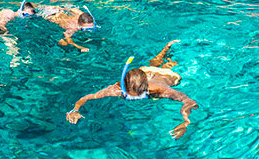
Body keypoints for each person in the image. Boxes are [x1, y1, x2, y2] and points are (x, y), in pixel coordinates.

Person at [65, 40, 198, 138]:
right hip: (144, 72)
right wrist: (75, 110)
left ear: (145, 89)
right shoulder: (117, 89)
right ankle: (165, 48)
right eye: (131, 94)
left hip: (167, 76)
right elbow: (87, 97)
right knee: (153, 63)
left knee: (169, 65)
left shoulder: (161, 89)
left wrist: (186, 122)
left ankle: (168, 49)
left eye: (138, 94)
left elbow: (189, 102)